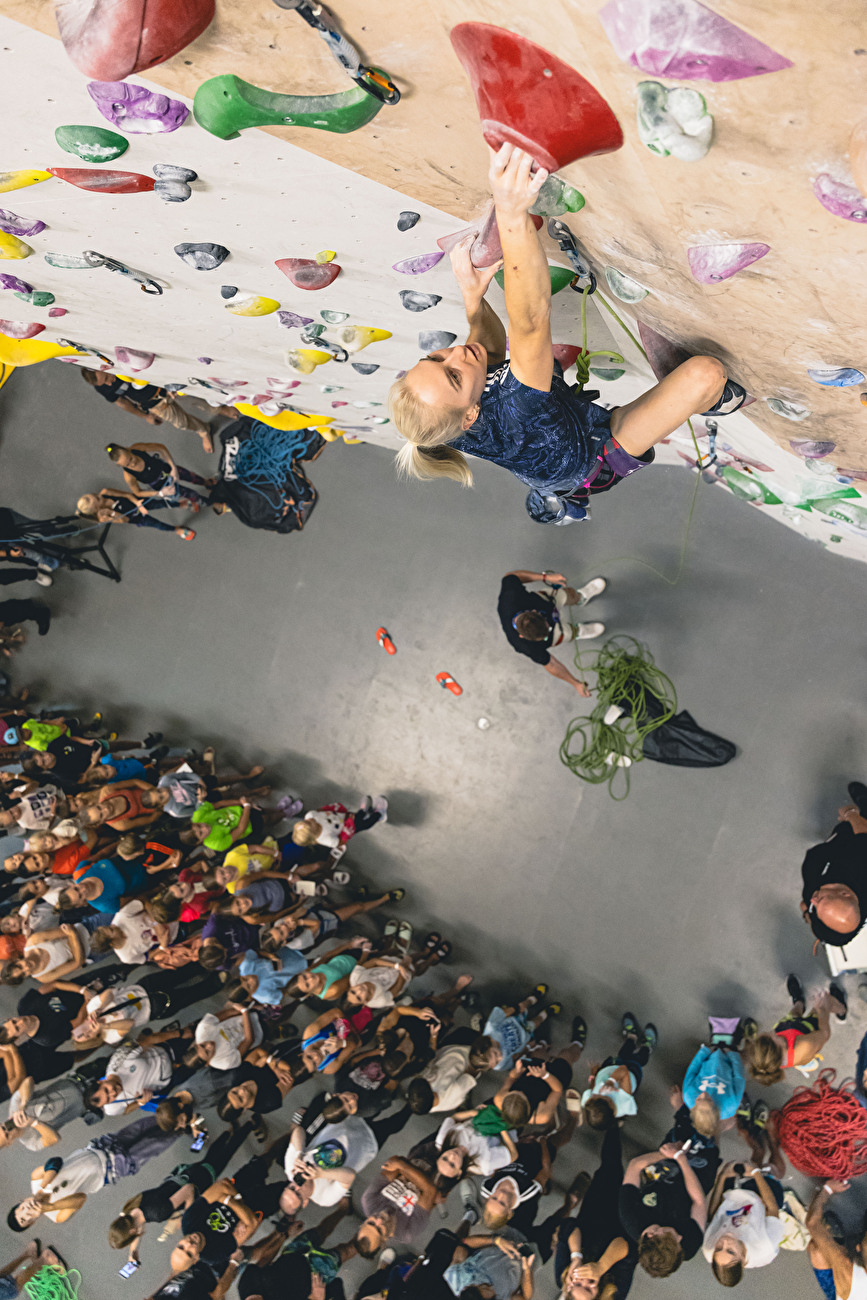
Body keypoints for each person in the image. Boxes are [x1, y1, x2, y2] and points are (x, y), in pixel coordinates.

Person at [389, 143, 743, 525]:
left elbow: (485, 349)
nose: (455, 353)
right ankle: (565, 502)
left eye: (435, 357)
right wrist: (511, 209)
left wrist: (473, 299)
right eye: (453, 375)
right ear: (472, 415)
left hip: (544, 437)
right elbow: (530, 317)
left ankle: (547, 494)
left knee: (520, 371)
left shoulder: (443, 417)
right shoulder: (516, 409)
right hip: (593, 458)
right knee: (706, 374)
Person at [7, 1114, 184, 1226]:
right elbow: (80, 1199)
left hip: (101, 1147)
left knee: (143, 1125)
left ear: (21, 1202)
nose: (25, 1211)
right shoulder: (56, 1216)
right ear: (32, 1222)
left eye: (20, 1209)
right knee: (154, 1144)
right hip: (113, 1168)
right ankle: (183, 1127)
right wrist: (48, 1206)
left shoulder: (36, 1179)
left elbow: (55, 1162)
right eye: (25, 1218)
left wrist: (42, 1190)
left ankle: (172, 1111)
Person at [538, 1125, 636, 1300]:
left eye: (577, 1284)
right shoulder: (615, 1293)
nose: (585, 1280)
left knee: (610, 1166)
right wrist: (601, 1266)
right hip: (626, 1219)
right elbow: (630, 1248)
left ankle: (613, 1123)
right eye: (589, 1288)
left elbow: (568, 1226)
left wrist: (576, 1256)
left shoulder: (563, 1274)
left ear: (568, 1286)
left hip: (595, 1210)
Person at [497, 571, 609, 696]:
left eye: (547, 626)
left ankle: (580, 597)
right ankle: (577, 631)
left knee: (566, 595)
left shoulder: (511, 597)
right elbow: (551, 664)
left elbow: (511, 576)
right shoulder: (523, 645)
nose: (550, 626)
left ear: (535, 612)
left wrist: (546, 577)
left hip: (545, 601)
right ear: (522, 636)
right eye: (544, 634)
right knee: (564, 634)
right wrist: (576, 683)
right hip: (552, 635)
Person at [619, 1140, 708, 1278]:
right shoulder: (686, 1247)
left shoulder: (631, 1217)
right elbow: (699, 1202)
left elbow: (635, 1165)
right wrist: (682, 1160)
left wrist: (671, 1154)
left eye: (672, 1236)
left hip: (663, 1168)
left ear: (651, 1234)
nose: (680, 1237)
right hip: (695, 1179)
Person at [80, 368, 215, 452]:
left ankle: (223, 408)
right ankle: (204, 431)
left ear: (101, 367)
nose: (109, 383)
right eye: (104, 383)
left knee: (201, 398)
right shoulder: (102, 387)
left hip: (162, 383)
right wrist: (145, 416)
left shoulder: (118, 363)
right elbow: (121, 402)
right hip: (154, 403)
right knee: (181, 423)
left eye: (106, 378)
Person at [746, 976, 846, 1086]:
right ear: (779, 1047)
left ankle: (799, 1002)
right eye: (771, 1036)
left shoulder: (771, 1058)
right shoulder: (803, 1046)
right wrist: (820, 1008)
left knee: (794, 1013)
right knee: (825, 1002)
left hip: (792, 1028)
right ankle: (841, 1011)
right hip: (809, 1030)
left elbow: (780, 1030)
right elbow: (825, 1034)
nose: (771, 1032)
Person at [702, 1160, 785, 1283]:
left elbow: (713, 1215)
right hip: (762, 1199)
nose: (724, 1242)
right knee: (771, 1167)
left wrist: (722, 1177)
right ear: (743, 1259)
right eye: (730, 1251)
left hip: (731, 1198)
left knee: (743, 1163)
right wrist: (756, 1173)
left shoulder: (708, 1249)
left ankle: (757, 1153)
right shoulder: (765, 1246)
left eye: (718, 1248)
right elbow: (771, 1208)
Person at [801, 801, 867, 948]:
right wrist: (851, 814)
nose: (813, 900)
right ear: (844, 894)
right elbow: (864, 835)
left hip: (829, 857)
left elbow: (808, 907)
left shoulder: (832, 933)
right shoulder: (861, 867)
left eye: (817, 910)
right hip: (854, 852)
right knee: (851, 829)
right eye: (822, 899)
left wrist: (807, 913)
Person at [580, 1012, 658, 1129]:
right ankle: (647, 1046)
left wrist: (594, 1076)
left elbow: (591, 1089)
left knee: (622, 1054)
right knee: (638, 1059)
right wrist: (610, 1082)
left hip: (609, 1068)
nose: (598, 1093)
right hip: (631, 1071)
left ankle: (632, 1037)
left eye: (595, 1096)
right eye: (603, 1096)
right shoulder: (623, 1103)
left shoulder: (590, 1102)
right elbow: (623, 1071)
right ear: (612, 1105)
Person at [106, 442, 213, 510]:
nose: (132, 464)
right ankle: (214, 504)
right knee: (192, 495)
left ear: (128, 450)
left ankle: (208, 483)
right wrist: (160, 493)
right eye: (127, 465)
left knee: (192, 477)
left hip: (167, 469)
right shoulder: (129, 476)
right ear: (120, 466)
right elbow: (137, 492)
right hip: (163, 486)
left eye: (131, 458)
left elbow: (161, 448)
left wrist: (173, 467)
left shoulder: (138, 448)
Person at [806, 1179, 864, 1300]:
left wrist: (827, 1190)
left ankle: (838, 1239)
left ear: (858, 1247)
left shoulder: (845, 1267)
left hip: (843, 1289)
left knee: (816, 1249)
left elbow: (812, 1223)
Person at [75, 490, 195, 540]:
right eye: (98, 499)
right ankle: (177, 529)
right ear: (97, 509)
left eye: (95, 495)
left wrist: (138, 503)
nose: (99, 496)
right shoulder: (102, 518)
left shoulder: (106, 492)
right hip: (136, 518)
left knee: (160, 504)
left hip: (137, 503)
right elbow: (125, 520)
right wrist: (111, 513)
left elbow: (126, 495)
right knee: (157, 525)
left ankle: (180, 504)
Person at [292, 796, 388, 852]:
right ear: (313, 834)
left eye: (305, 820)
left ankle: (363, 812)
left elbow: (319, 811)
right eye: (309, 823)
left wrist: (334, 808)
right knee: (364, 824)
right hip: (347, 827)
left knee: (355, 816)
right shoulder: (326, 839)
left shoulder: (310, 815)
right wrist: (347, 829)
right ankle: (378, 815)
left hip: (341, 816)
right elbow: (340, 842)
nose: (309, 819)